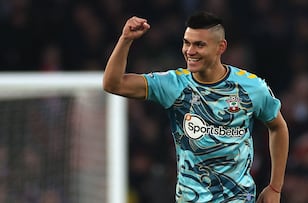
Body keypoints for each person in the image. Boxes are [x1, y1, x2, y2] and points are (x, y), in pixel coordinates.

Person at [103, 11, 289, 203]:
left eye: (199, 44)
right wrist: (125, 39)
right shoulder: (173, 85)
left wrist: (275, 187)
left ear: (220, 47)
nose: (190, 51)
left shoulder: (252, 87)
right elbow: (113, 84)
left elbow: (278, 126)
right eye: (186, 42)